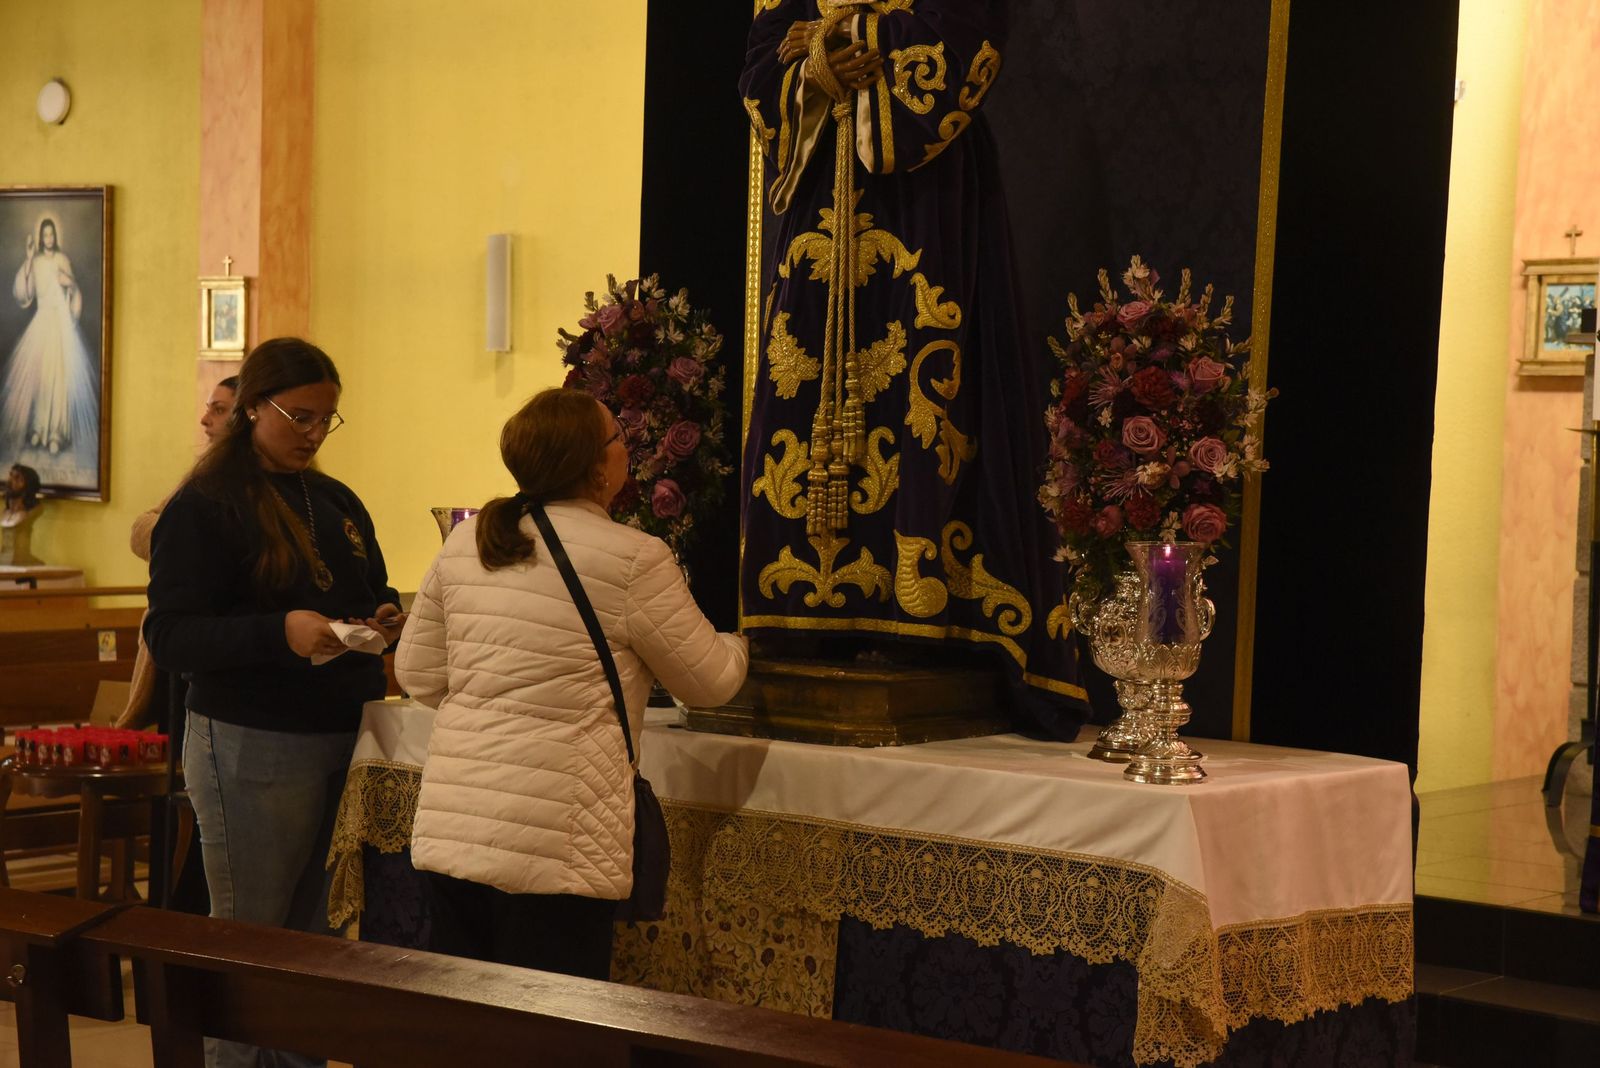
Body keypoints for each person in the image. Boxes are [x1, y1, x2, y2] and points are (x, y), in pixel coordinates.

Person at [738, 1, 1088, 737]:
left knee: (920, 371)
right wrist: (821, 68)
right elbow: (764, 59)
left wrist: (847, 41)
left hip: (923, 201)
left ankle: (916, 597)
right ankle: (802, 609)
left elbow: (969, 35)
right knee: (799, 375)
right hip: (816, 193)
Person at [396, 387, 749, 979]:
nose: (626, 450)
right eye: (618, 438)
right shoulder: (633, 557)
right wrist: (742, 647)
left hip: (457, 832)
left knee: (466, 1035)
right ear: (595, 466)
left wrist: (493, 700)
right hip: (558, 845)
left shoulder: (468, 541)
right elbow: (709, 682)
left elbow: (418, 674)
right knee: (551, 1041)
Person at [144, 339, 402, 1068]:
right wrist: (277, 633)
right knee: (253, 940)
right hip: (250, 741)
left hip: (344, 733)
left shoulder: (336, 500)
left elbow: (364, 589)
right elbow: (169, 635)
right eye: (300, 415)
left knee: (316, 943)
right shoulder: (204, 506)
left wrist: (380, 619)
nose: (314, 432)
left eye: (328, 418)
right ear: (254, 405)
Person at [120, 375, 240, 730]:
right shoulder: (202, 479)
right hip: (176, 648)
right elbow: (140, 529)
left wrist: (180, 539)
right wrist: (183, 538)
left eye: (218, 411)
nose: (205, 421)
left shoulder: (238, 487)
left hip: (214, 655)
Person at [1, 217, 98, 467]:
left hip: (60, 325)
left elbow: (73, 291)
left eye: (51, 235)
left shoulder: (62, 260)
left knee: (58, 378)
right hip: (42, 323)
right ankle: (39, 428)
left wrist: (71, 284)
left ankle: (56, 432)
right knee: (41, 379)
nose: (48, 240)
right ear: (40, 237)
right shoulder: (36, 262)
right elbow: (24, 293)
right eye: (44, 236)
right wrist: (29, 257)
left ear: (55, 236)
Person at [0, 463, 43, 565]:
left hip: (22, 560)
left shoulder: (33, 511)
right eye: (10, 475)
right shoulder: (5, 512)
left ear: (28, 485)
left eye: (17, 478)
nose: (10, 481)